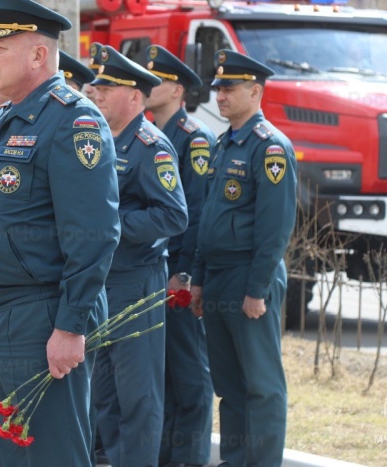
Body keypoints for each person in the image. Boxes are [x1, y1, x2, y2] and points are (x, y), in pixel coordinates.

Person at [0, 0, 120, 466]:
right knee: (17, 449)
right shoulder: (5, 118)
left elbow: (94, 233)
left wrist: (71, 327)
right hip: (2, 308)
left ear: (38, 53)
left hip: (44, 314)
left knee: (52, 451)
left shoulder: (72, 122)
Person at [190, 49, 296, 467]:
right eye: (218, 87)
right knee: (229, 384)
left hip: (249, 277)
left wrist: (257, 289)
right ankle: (235, 460)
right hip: (217, 276)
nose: (220, 95)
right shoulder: (222, 145)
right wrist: (198, 278)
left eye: (229, 88)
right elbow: (208, 220)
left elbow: (275, 229)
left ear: (255, 91)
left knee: (262, 384)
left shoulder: (269, 148)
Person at [90, 45, 188, 467]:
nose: (96, 93)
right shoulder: (97, 139)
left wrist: (114, 226)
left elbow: (174, 215)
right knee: (103, 393)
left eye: (106, 87)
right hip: (101, 279)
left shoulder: (151, 145)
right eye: (95, 85)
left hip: (136, 279)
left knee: (138, 394)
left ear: (134, 96)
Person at [144, 44, 214, 467]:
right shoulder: (154, 135)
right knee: (165, 372)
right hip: (157, 269)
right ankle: (169, 455)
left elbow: (197, 211)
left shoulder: (194, 139)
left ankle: (191, 457)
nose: (147, 87)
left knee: (188, 373)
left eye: (156, 80)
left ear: (176, 89)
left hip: (177, 273)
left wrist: (185, 273)